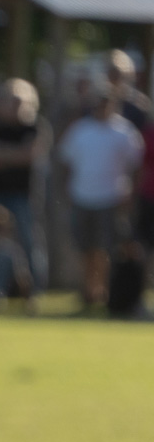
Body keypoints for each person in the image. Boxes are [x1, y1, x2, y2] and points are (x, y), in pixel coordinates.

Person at [58, 87, 144, 312]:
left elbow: (136, 165)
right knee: (85, 248)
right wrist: (67, 190)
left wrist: (130, 194)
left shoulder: (124, 131)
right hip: (82, 197)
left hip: (111, 198)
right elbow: (66, 162)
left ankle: (104, 291)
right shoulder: (80, 130)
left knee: (106, 248)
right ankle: (88, 291)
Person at [0, 78, 50, 293]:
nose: (15, 106)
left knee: (30, 244)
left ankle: (35, 291)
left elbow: (29, 155)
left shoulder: (36, 127)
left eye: (19, 101)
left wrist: (2, 154)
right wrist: (15, 153)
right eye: (10, 100)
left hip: (25, 195)